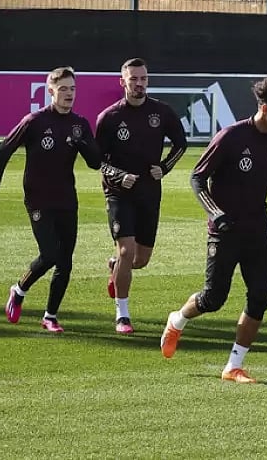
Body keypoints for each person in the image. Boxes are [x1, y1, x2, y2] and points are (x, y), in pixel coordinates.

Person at [160, 78, 267, 384]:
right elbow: (198, 178)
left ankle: (233, 366)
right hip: (224, 230)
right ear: (264, 108)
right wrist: (216, 213)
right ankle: (178, 319)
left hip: (257, 229)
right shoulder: (231, 136)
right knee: (213, 298)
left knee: (259, 299)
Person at [0, 66, 101, 333]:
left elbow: (95, 163)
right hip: (38, 199)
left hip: (67, 199)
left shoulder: (80, 124)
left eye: (72, 89)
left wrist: (82, 143)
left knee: (65, 262)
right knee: (50, 254)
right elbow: (4, 149)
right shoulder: (35, 121)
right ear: (50, 90)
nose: (69, 94)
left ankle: (50, 316)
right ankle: (19, 290)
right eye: (63, 89)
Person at [95, 58, 188, 334]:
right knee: (126, 250)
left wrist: (164, 167)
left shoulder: (162, 112)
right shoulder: (109, 117)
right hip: (119, 193)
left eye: (143, 79)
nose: (139, 84)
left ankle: (115, 267)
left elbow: (181, 144)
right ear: (122, 82)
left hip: (149, 192)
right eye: (133, 79)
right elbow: (98, 161)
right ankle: (122, 315)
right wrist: (118, 176)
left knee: (140, 260)